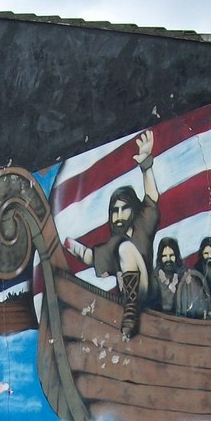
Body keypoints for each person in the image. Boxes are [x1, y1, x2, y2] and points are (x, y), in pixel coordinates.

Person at [64, 130, 159, 339]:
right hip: (127, 296)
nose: (118, 215)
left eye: (123, 208)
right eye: (114, 211)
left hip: (148, 292)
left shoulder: (142, 226)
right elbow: (90, 257)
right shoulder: (114, 244)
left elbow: (151, 197)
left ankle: (131, 311)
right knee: (121, 246)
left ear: (133, 209)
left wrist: (146, 166)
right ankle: (129, 309)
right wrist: (69, 245)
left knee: (125, 248)